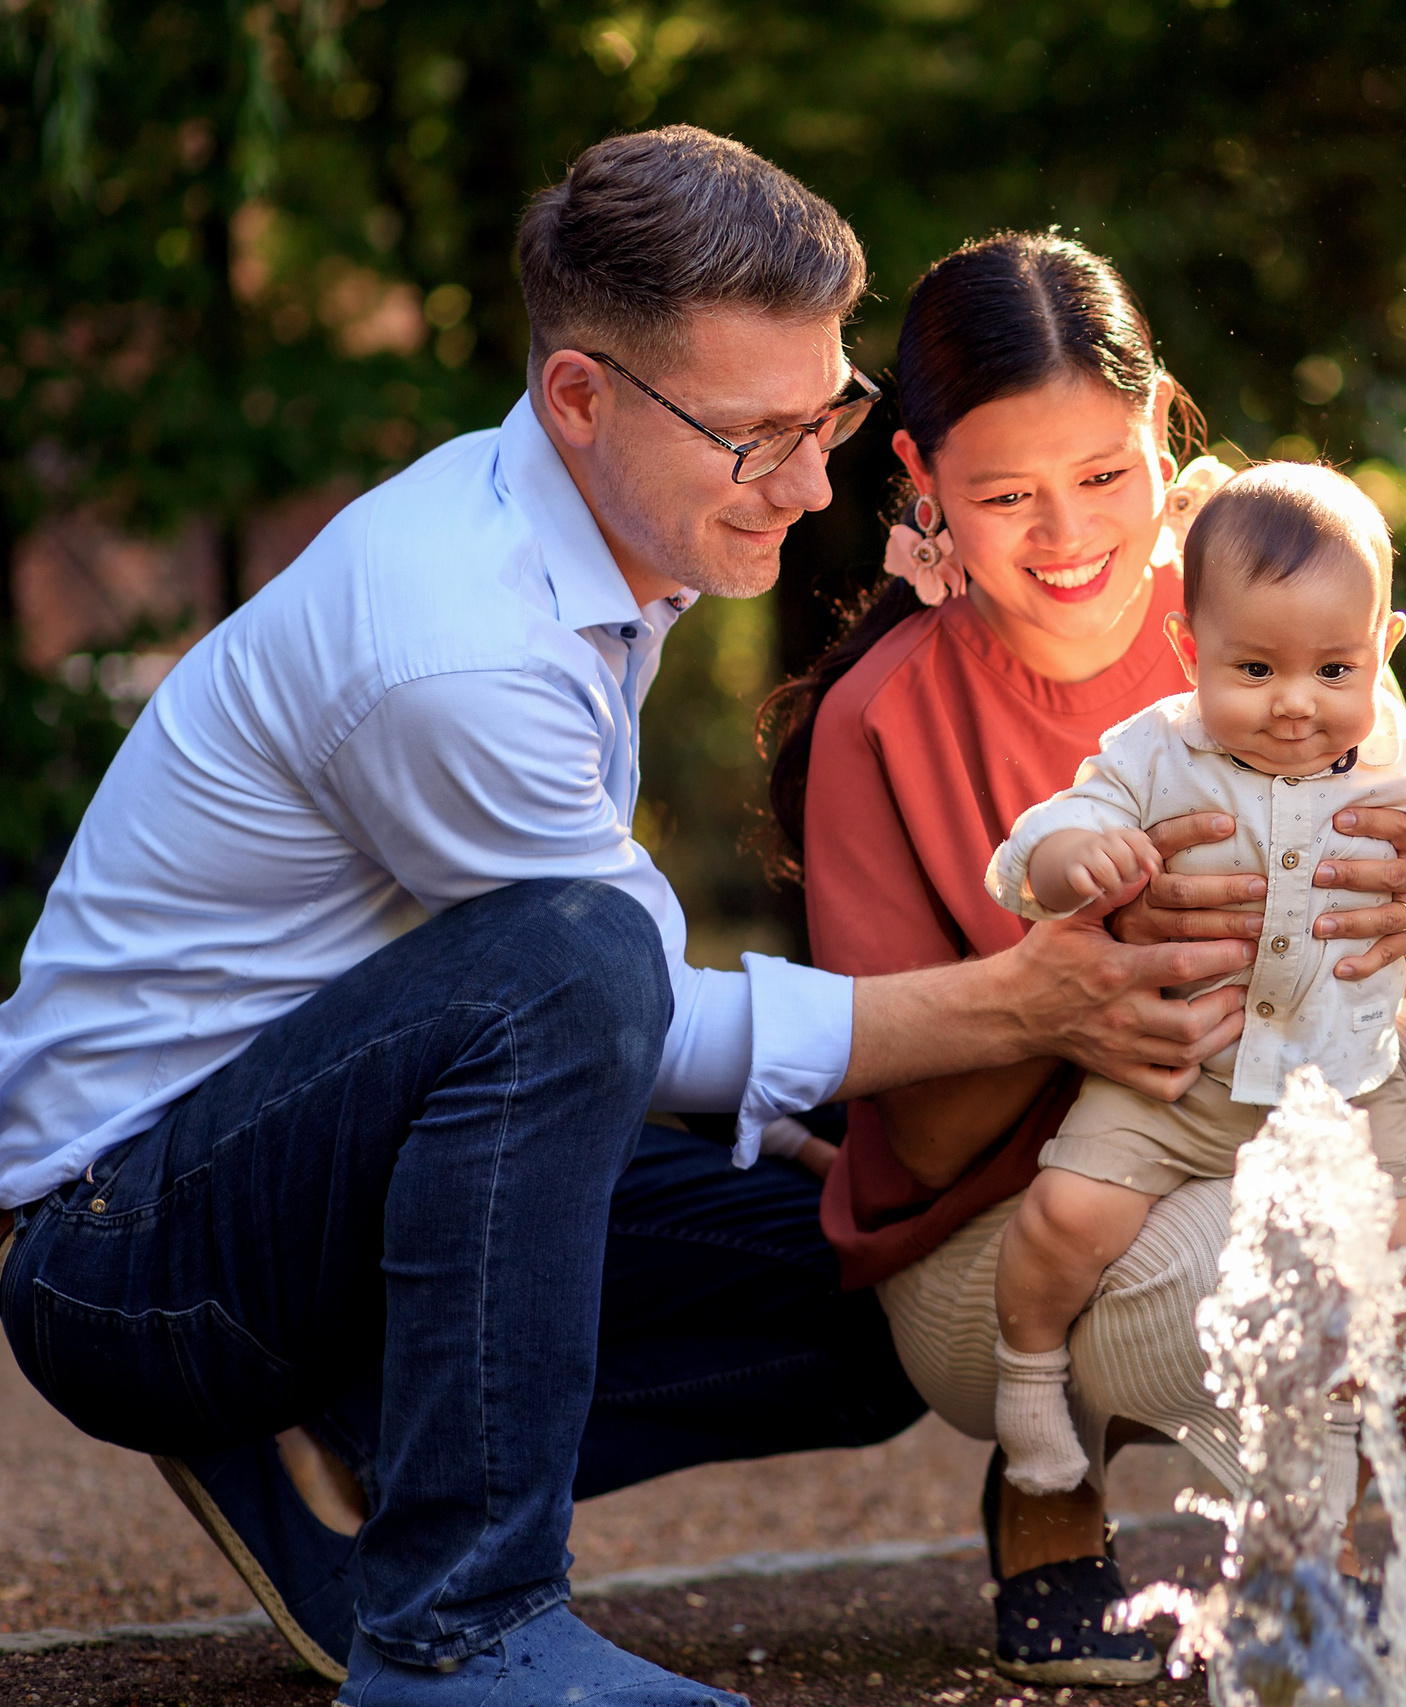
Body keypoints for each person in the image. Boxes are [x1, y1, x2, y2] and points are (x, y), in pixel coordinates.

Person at [0, 130, 1253, 1707]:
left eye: (830, 417)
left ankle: (385, 1434)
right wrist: (1030, 1002)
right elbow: (613, 996)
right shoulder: (456, 638)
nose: (809, 482)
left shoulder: (610, 551)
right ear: (583, 397)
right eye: (756, 438)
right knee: (577, 955)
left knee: (871, 1271)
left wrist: (816, 1106)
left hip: (329, 1149)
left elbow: (581, 1021)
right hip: (134, 1242)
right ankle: (458, 1626)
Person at [767, 231, 1406, 1686]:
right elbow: (926, 1134)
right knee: (1300, 1262)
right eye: (1004, 495)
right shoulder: (881, 718)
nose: (1066, 532)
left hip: (1265, 1123)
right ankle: (1047, 1484)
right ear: (920, 477)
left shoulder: (1267, 615)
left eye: (1104, 475)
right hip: (1005, 1226)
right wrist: (1071, 992)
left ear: (1164, 424)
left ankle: (1301, 1550)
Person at [981, 462, 1406, 1500]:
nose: (1295, 705)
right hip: (1175, 1085)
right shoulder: (1155, 751)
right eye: (1253, 671)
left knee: (1390, 1250)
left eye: (1333, 671)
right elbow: (1056, 826)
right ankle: (1027, 1369)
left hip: (1337, 1086)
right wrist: (1073, 858)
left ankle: (1351, 1431)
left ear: (1381, 650)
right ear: (1189, 649)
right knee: (1066, 1217)